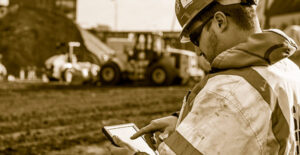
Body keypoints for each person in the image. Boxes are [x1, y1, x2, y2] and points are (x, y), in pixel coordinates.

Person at [110, 0, 300, 154]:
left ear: (220, 21)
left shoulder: (230, 92)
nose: (197, 50)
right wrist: (183, 122)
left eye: (195, 37)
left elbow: (236, 110)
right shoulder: (289, 70)